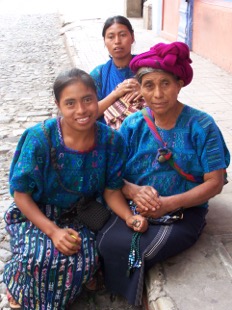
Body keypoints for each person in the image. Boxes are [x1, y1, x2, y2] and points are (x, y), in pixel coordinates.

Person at [96, 42, 230, 307]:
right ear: (140, 88)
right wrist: (133, 191)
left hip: (182, 211)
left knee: (139, 249)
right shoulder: (133, 124)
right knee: (104, 240)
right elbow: (113, 173)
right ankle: (120, 289)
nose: (157, 94)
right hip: (133, 205)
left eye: (165, 84)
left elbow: (215, 183)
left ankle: (126, 296)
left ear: (179, 84)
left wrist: (169, 203)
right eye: (148, 85)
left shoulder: (201, 125)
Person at [3, 68, 148, 310]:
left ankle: (65, 286)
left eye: (88, 100)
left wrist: (129, 217)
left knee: (85, 259)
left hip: (83, 213)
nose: (81, 111)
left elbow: (112, 190)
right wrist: (52, 232)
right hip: (36, 214)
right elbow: (21, 194)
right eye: (70, 103)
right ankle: (19, 285)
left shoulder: (111, 141)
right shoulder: (39, 139)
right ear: (58, 104)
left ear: (97, 97)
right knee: (39, 257)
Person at [90, 15, 145, 128]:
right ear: (104, 41)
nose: (117, 41)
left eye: (123, 35)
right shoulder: (99, 74)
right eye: (111, 37)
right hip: (109, 137)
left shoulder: (146, 67)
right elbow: (89, 113)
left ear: (132, 37)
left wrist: (146, 90)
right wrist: (115, 94)